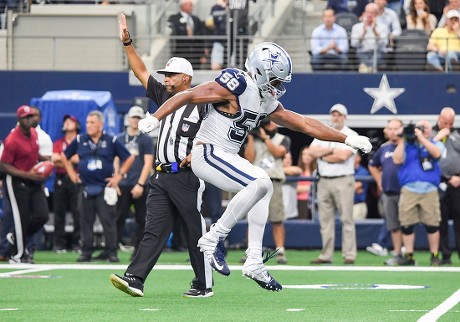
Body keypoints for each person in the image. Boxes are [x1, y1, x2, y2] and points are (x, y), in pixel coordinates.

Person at [136, 42, 371, 291]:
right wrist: (155, 117)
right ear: (259, 71)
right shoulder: (237, 83)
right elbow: (188, 95)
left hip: (226, 156)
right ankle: (214, 238)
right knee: (259, 182)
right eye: (275, 80)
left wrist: (347, 139)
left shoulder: (264, 99)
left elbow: (304, 124)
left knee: (264, 187)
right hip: (208, 152)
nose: (277, 87)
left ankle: (254, 260)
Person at [110, 13, 214, 299]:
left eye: (171, 75)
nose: (166, 79)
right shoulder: (164, 96)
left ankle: (204, 283)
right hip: (160, 175)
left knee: (196, 233)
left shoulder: (203, 104)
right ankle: (136, 278)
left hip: (187, 177)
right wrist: (128, 43)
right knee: (152, 230)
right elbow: (140, 70)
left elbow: (215, 134)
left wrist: (199, 153)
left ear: (187, 79)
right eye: (165, 75)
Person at [61, 110, 135, 263]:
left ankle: (111, 252)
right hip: (85, 186)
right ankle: (86, 252)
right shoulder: (80, 139)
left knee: (108, 221)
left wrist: (118, 177)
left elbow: (128, 157)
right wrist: (71, 174)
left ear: (101, 124)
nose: (88, 125)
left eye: (92, 122)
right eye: (87, 122)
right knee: (85, 221)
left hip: (105, 186)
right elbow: (64, 156)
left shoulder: (111, 140)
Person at [308, 104, 358, 265]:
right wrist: (330, 152)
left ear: (345, 117)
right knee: (325, 220)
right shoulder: (323, 131)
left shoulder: (352, 135)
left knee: (346, 219)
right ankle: (326, 255)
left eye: (339, 115)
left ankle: (349, 254)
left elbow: (343, 156)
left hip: (343, 179)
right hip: (323, 180)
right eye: (333, 115)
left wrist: (323, 153)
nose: (336, 118)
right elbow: (311, 152)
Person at [0, 105, 50, 263]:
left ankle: (14, 236)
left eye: (32, 116)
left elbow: (33, 152)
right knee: (21, 218)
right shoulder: (12, 140)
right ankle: (19, 255)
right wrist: (26, 174)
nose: (30, 120)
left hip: (33, 180)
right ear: (19, 120)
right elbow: (4, 165)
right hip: (16, 181)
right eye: (26, 118)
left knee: (42, 215)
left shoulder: (34, 133)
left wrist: (44, 160)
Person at [393, 120, 444, 266]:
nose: (420, 130)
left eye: (424, 128)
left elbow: (437, 154)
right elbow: (396, 160)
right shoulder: (406, 145)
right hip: (409, 189)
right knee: (407, 223)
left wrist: (422, 138)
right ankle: (409, 255)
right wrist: (403, 139)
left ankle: (434, 255)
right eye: (418, 128)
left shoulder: (435, 142)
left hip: (430, 190)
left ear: (429, 130)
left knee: (432, 224)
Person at [244, 119, 291, 264]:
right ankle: (251, 251)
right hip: (256, 181)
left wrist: (265, 138)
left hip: (273, 180)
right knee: (252, 219)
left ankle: (280, 250)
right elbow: (249, 158)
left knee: (277, 218)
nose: (269, 126)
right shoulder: (254, 139)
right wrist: (252, 137)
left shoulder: (283, 139)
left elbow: (278, 153)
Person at [115, 106, 153, 257]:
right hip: (123, 184)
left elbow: (148, 162)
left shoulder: (145, 139)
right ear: (128, 119)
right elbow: (116, 160)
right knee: (118, 218)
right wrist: (116, 181)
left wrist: (140, 184)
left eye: (138, 118)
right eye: (133, 117)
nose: (135, 120)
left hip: (139, 184)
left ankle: (139, 251)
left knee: (141, 219)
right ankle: (112, 250)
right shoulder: (119, 138)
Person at [368, 118, 404, 266]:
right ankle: (397, 253)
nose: (393, 131)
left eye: (396, 128)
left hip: (406, 191)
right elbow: (372, 165)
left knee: (407, 224)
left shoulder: (409, 146)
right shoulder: (384, 148)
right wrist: (379, 181)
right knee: (393, 224)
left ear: (402, 129)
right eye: (391, 128)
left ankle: (409, 253)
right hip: (389, 191)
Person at [51, 114, 82, 253]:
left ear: (77, 125)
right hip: (60, 178)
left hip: (76, 177)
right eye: (66, 122)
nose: (67, 123)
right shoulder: (58, 142)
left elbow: (80, 159)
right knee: (59, 212)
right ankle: (58, 244)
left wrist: (63, 159)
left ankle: (77, 244)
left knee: (78, 211)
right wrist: (69, 159)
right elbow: (53, 158)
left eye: (70, 121)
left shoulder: (81, 141)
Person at [432, 107, 458, 265]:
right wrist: (439, 137)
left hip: (457, 182)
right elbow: (424, 151)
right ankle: (445, 256)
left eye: (450, 123)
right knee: (439, 221)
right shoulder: (430, 134)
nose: (447, 125)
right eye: (444, 122)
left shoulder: (458, 135)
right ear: (438, 119)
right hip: (438, 182)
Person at [168, 0, 207, 70]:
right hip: (181, 54)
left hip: (195, 56)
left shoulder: (196, 19)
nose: (192, 7)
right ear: (183, 5)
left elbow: (201, 37)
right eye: (190, 5)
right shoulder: (174, 18)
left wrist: (202, 54)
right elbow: (173, 30)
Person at [350, 3, 389, 71]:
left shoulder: (383, 27)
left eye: (372, 13)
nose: (369, 15)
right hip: (362, 54)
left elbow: (384, 43)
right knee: (362, 59)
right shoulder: (356, 27)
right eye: (367, 12)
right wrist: (363, 33)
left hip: (378, 54)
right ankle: (369, 69)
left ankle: (368, 69)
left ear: (376, 14)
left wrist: (375, 31)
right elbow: (354, 44)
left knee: (377, 58)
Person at [206, 0, 229, 71]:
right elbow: (209, 23)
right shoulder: (215, 7)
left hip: (232, 40)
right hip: (219, 39)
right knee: (216, 66)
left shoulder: (233, 6)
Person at [282, 152, 302, 220]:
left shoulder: (294, 172)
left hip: (292, 214)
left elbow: (298, 170)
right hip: (278, 213)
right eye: (285, 158)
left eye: (290, 158)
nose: (288, 160)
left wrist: (276, 171)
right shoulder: (272, 173)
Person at [297, 146, 315, 220]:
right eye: (304, 154)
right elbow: (296, 189)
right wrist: (312, 188)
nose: (306, 157)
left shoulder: (316, 172)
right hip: (301, 202)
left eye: (309, 154)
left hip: (314, 202)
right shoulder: (297, 171)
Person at [353, 151, 370, 221]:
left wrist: (345, 186)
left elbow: (355, 186)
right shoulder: (345, 171)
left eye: (352, 156)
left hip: (358, 205)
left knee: (357, 230)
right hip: (346, 205)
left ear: (358, 158)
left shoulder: (363, 171)